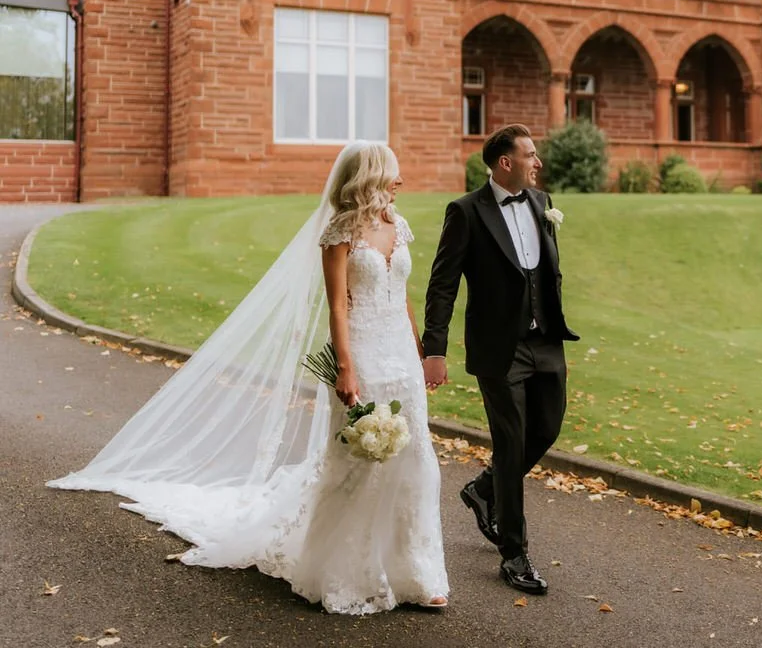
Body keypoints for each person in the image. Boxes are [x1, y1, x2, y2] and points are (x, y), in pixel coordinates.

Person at [50, 141, 449, 614]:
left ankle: (414, 573)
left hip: (401, 355)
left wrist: (421, 348)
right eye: (392, 174)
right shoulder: (340, 231)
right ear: (368, 179)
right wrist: (345, 366)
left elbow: (401, 293)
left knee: (412, 460)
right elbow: (338, 305)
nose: (400, 182)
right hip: (361, 351)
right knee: (356, 462)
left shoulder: (396, 226)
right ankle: (348, 572)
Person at [423, 123, 578, 595]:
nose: (538, 163)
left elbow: (545, 273)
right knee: (511, 444)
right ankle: (515, 553)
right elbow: (443, 284)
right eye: (530, 155)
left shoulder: (541, 202)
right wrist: (435, 349)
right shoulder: (466, 212)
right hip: (499, 350)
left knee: (546, 429)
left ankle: (484, 488)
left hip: (545, 342)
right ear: (505, 163)